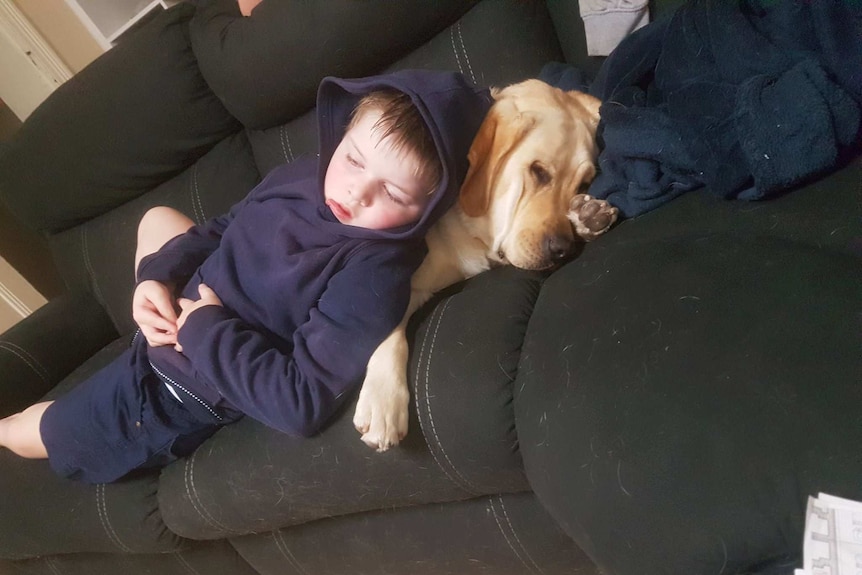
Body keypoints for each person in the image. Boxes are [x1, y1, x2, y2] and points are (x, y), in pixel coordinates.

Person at [0, 69, 492, 483]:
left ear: (428, 210)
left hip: (179, 394)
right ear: (340, 134)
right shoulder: (303, 177)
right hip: (184, 319)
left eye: (394, 193)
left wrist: (203, 329)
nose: (358, 192)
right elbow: (223, 228)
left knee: (32, 430)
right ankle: (150, 318)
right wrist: (158, 279)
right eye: (353, 159)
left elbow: (301, 403)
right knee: (158, 220)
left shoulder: (374, 275)